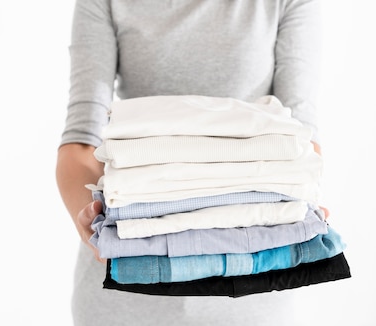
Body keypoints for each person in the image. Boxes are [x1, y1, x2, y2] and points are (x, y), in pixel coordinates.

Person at [55, 1, 328, 325]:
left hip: (248, 301)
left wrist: (300, 201)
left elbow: (299, 138)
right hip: (124, 299)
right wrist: (95, 228)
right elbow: (81, 141)